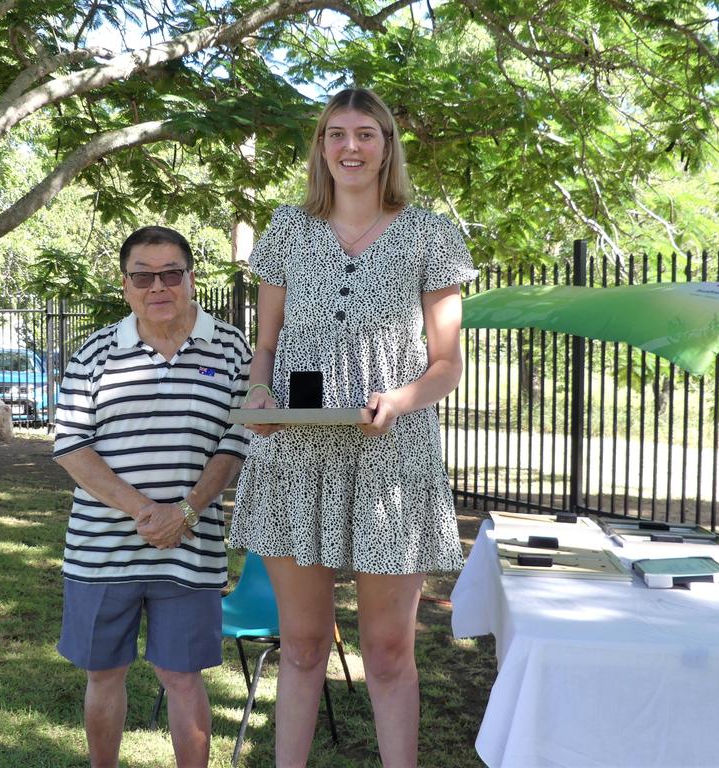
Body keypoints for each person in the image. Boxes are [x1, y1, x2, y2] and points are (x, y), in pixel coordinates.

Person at [229, 88, 477, 767]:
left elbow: (447, 361)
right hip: (294, 456)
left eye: (365, 133)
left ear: (386, 146)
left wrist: (398, 400)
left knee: (389, 651)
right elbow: (267, 348)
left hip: (392, 457)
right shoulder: (287, 229)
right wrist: (258, 395)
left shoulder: (431, 233)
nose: (349, 146)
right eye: (335, 133)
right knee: (303, 646)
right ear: (320, 148)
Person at [52, 226, 251, 768]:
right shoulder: (93, 352)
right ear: (125, 285)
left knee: (182, 677)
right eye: (143, 275)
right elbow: (71, 446)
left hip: (192, 547)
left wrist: (184, 514)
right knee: (104, 673)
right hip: (100, 549)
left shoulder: (232, 348)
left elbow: (236, 441)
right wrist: (146, 511)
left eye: (171, 273)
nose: (157, 286)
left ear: (191, 279)